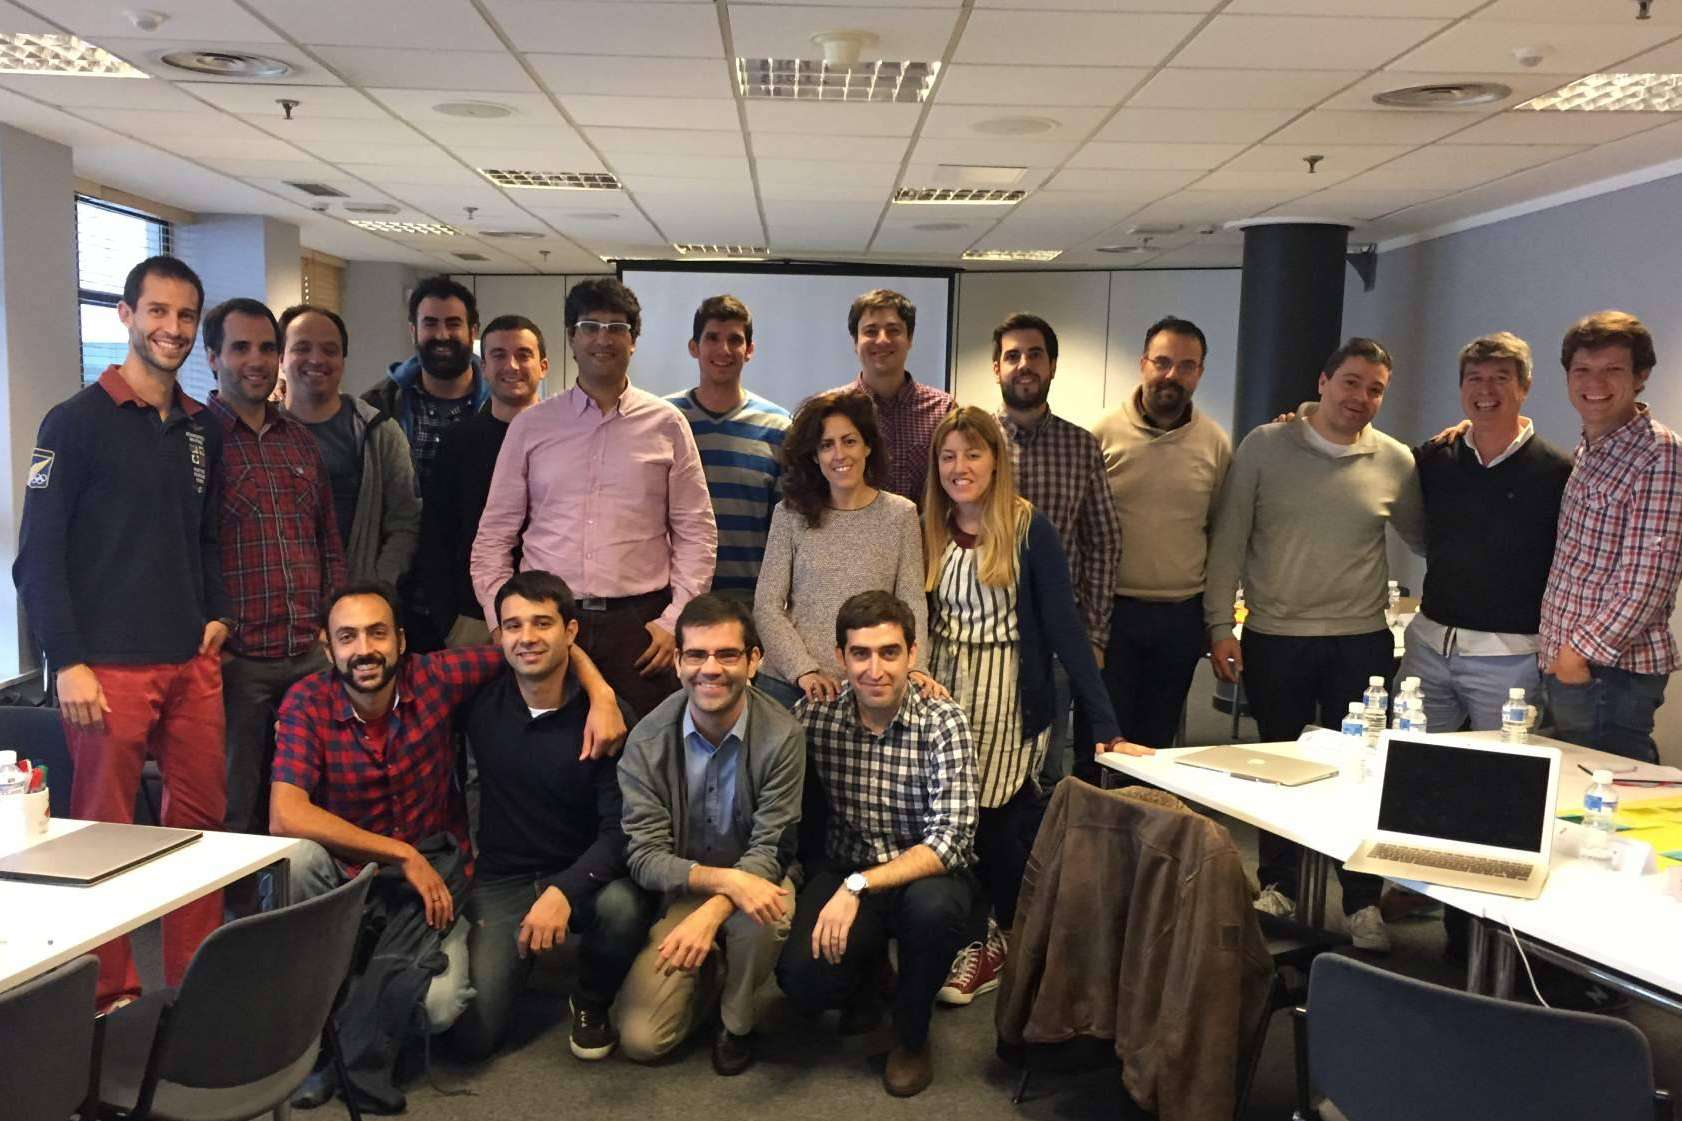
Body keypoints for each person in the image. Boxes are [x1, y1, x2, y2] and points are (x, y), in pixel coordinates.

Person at [271, 582, 626, 1111]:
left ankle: (358, 1012)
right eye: (348, 637)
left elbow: (538, 647)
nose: (364, 649)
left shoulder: (436, 677)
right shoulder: (306, 701)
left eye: (377, 633)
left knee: (443, 1011)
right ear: (328, 648)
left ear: (401, 641)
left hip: (435, 875)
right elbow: (285, 814)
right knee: (295, 860)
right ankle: (326, 1037)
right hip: (353, 871)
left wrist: (602, 693)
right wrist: (400, 853)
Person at [13, 254, 231, 1009]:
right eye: (157, 311)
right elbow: (37, 558)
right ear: (126, 315)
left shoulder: (202, 428)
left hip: (191, 661)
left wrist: (218, 613)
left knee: (202, 826)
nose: (172, 328)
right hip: (104, 670)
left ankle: (199, 985)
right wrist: (68, 661)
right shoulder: (74, 422)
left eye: (185, 315)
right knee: (104, 837)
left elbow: (207, 536)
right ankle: (111, 994)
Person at [1205, 338, 1425, 953]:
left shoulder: (1396, 460)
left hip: (1361, 642)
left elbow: (1429, 536)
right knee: (1282, 770)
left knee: (1360, 774)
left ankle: (1361, 900)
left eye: (1375, 389)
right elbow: (1229, 540)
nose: (1362, 397)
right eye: (1351, 382)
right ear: (1323, 382)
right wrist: (1220, 625)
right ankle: (1280, 883)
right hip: (1277, 638)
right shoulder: (1264, 447)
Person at [920, 407, 1145, 1007]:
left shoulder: (1027, 527)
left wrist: (1105, 724)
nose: (960, 467)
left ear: (996, 460)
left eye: (973, 454)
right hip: (942, 689)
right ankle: (975, 931)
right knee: (945, 816)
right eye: (948, 456)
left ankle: (994, 938)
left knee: (989, 816)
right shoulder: (929, 525)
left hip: (1007, 691)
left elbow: (1067, 628)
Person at [471, 277, 717, 719]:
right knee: (551, 746)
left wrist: (674, 619)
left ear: (633, 340)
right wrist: (500, 620)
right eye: (590, 327)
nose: (603, 339)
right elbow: (493, 536)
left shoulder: (667, 424)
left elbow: (696, 532)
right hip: (546, 620)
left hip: (641, 628)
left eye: (617, 328)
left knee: (644, 748)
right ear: (571, 337)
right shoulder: (532, 426)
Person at [777, 591, 978, 1098]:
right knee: (801, 981)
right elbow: (762, 748)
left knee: (934, 913)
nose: (875, 669)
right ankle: (869, 976)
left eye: (889, 652)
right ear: (840, 657)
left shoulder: (943, 719)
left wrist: (858, 886)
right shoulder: (816, 714)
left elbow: (952, 840)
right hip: (848, 862)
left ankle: (911, 1034)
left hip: (923, 874)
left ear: (912, 653)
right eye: (860, 654)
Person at [450, 571, 654, 1064]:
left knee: (624, 908)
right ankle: (506, 956)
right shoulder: (478, 705)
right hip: (505, 879)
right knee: (474, 1040)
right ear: (499, 635)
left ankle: (591, 998)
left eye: (542, 623)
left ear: (571, 631)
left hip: (586, 873)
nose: (527, 637)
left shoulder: (608, 718)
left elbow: (621, 832)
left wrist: (563, 890)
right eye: (513, 625)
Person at [615, 595, 804, 1075]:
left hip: (761, 877)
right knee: (641, 1040)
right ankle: (712, 973)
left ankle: (735, 1022)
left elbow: (772, 847)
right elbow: (644, 857)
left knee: (766, 914)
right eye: (697, 654)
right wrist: (720, 885)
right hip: (685, 887)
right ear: (678, 662)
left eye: (727, 654)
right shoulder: (647, 741)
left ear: (754, 661)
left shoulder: (783, 735)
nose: (711, 669)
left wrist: (719, 906)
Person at [203, 297, 346, 836]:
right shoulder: (197, 440)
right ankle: (239, 895)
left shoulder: (299, 440)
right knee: (234, 808)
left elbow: (327, 541)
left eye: (267, 348)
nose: (256, 360)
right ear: (213, 357)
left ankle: (311, 890)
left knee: (321, 799)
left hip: (308, 654)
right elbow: (184, 550)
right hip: (238, 662)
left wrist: (332, 627)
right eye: (240, 347)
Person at [1404, 332, 1572, 733]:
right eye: (1474, 378)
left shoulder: (1558, 471)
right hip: (1429, 648)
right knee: (1413, 761)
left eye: (1500, 378)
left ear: (1525, 387)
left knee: (1503, 767)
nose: (1486, 390)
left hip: (1510, 659)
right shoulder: (1436, 457)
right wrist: (1302, 416)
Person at [1539, 310, 1682, 762]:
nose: (1594, 382)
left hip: (1608, 673)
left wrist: (1577, 655)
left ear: (1640, 377)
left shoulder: (1659, 453)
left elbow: (1649, 581)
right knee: (1574, 788)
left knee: (1612, 790)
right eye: (1582, 369)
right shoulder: (1590, 449)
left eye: (1612, 370)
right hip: (1573, 665)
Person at [1089, 316, 1233, 763]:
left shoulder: (1214, 443)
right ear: (1143, 364)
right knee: (1102, 744)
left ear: (1200, 373)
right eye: (1163, 362)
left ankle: (1145, 812)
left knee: (1156, 747)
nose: (1173, 375)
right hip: (1112, 615)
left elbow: (1221, 536)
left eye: (1187, 366)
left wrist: (1217, 624)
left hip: (1180, 618)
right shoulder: (1101, 434)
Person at [990, 313, 1123, 786]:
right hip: (981, 630)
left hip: (1055, 638)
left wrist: (1095, 635)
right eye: (1012, 356)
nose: (1024, 365)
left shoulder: (1080, 446)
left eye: (1035, 355)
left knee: (1044, 767)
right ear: (996, 368)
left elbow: (1103, 542)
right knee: (978, 760)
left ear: (1052, 366)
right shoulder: (975, 443)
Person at [754, 390, 940, 706]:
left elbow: (912, 603)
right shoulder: (789, 514)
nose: (839, 454)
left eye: (849, 441)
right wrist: (804, 671)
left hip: (869, 684)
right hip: (791, 685)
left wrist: (915, 667)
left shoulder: (901, 514)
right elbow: (766, 605)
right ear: (815, 456)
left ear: (868, 446)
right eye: (826, 445)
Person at [417, 315, 548, 648]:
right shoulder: (458, 441)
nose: (511, 365)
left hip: (550, 613)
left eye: (523, 354)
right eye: (499, 355)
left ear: (543, 366)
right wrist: (449, 621)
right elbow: (436, 537)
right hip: (473, 620)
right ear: (484, 368)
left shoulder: (564, 440)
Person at [281, 303, 420, 587]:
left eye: (330, 350)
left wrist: (378, 588)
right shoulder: (259, 434)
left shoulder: (380, 433)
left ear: (343, 360)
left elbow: (405, 523)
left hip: (358, 600)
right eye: (302, 348)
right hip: (279, 600)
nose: (316, 359)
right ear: (280, 358)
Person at [665, 295, 792, 601]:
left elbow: (786, 528)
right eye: (712, 338)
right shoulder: (664, 419)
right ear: (694, 347)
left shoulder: (778, 426)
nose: (723, 349)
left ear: (749, 350)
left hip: (750, 601)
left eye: (735, 340)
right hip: (676, 600)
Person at [363, 274, 489, 496]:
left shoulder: (500, 404)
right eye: (430, 324)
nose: (442, 335)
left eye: (453, 324)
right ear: (414, 332)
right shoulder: (377, 405)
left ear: (473, 331)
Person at [831, 288, 954, 505]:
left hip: (927, 527)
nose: (882, 340)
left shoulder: (943, 410)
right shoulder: (832, 409)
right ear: (855, 342)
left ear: (909, 339)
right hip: (851, 527)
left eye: (893, 330)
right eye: (870, 331)